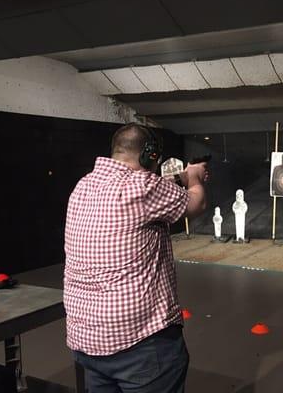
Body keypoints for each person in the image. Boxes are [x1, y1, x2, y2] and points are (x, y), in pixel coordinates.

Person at [64, 123, 208, 393]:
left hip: (89, 343)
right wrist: (195, 179)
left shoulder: (82, 186)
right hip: (140, 346)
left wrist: (179, 179)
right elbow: (195, 203)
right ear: (150, 155)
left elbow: (146, 189)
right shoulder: (144, 188)